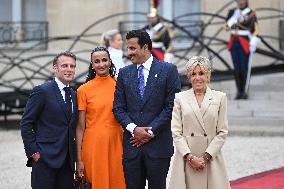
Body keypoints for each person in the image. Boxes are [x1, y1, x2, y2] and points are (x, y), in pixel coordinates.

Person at [113, 29, 181, 189]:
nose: (129, 53)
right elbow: (118, 108)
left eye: (132, 48)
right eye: (128, 48)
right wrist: (134, 129)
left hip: (158, 146)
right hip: (132, 146)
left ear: (145, 47)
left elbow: (171, 106)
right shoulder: (124, 73)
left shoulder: (168, 70)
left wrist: (150, 132)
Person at [168, 56, 231, 189]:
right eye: (193, 74)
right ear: (189, 77)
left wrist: (205, 157)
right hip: (186, 159)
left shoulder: (220, 98)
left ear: (208, 75)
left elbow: (222, 132)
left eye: (201, 73)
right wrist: (190, 157)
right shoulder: (180, 98)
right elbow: (176, 132)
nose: (197, 78)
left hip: (211, 159)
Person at [21, 52, 78, 189]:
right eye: (64, 65)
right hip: (45, 159)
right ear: (55, 68)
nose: (69, 69)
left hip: (67, 162)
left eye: (72, 66)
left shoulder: (75, 94)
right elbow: (26, 123)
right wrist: (33, 152)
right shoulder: (42, 91)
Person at [76, 47, 126, 189]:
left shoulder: (120, 85)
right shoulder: (83, 90)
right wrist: (78, 159)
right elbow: (80, 127)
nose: (101, 64)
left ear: (110, 61)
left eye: (104, 60)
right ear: (92, 65)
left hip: (117, 143)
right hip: (93, 146)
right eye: (96, 61)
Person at [225, 0, 259, 99]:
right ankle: (239, 91)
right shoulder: (232, 12)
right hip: (234, 41)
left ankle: (244, 91)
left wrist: (254, 42)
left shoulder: (250, 13)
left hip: (244, 42)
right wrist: (233, 18)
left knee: (244, 67)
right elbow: (226, 28)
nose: (240, 1)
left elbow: (256, 30)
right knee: (236, 67)